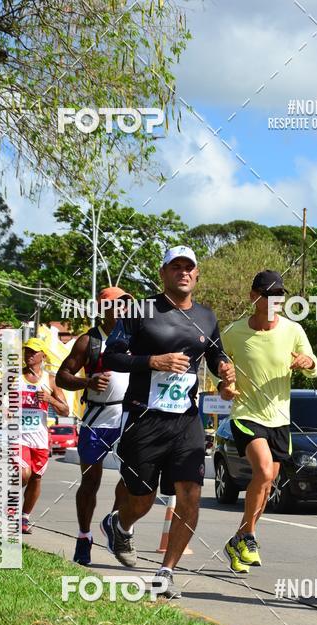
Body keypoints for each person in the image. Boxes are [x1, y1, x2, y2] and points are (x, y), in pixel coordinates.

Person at [102, 245, 235, 599]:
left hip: (186, 420)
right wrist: (153, 362)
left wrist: (225, 372)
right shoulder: (139, 311)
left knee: (190, 493)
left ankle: (166, 572)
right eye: (175, 267)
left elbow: (217, 353)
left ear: (197, 274)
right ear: (163, 274)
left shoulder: (206, 318)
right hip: (144, 418)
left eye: (189, 267)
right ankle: (119, 523)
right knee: (140, 500)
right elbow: (111, 356)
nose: (183, 272)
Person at [219, 270, 317, 574]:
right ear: (254, 297)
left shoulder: (293, 330)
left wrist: (307, 362)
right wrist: (225, 387)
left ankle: (238, 539)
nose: (276, 300)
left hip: (280, 419)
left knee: (266, 484)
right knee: (262, 470)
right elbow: (220, 377)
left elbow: (314, 366)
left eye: (280, 295)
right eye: (269, 294)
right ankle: (249, 536)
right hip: (246, 415)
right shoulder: (233, 333)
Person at [56, 286, 131, 565]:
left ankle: (112, 522)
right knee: (90, 481)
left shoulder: (137, 337)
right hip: (97, 418)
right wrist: (87, 382)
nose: (122, 309)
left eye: (126, 304)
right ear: (103, 308)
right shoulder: (88, 341)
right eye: (115, 304)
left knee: (132, 478)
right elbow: (62, 376)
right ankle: (84, 536)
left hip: (129, 417)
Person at [17, 337, 70, 534]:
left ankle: (24, 517)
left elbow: (65, 410)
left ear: (42, 356)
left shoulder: (50, 380)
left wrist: (50, 399)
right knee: (23, 474)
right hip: (17, 435)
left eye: (33, 352)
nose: (29, 355)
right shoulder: (14, 377)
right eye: (27, 351)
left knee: (36, 478)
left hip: (39, 437)